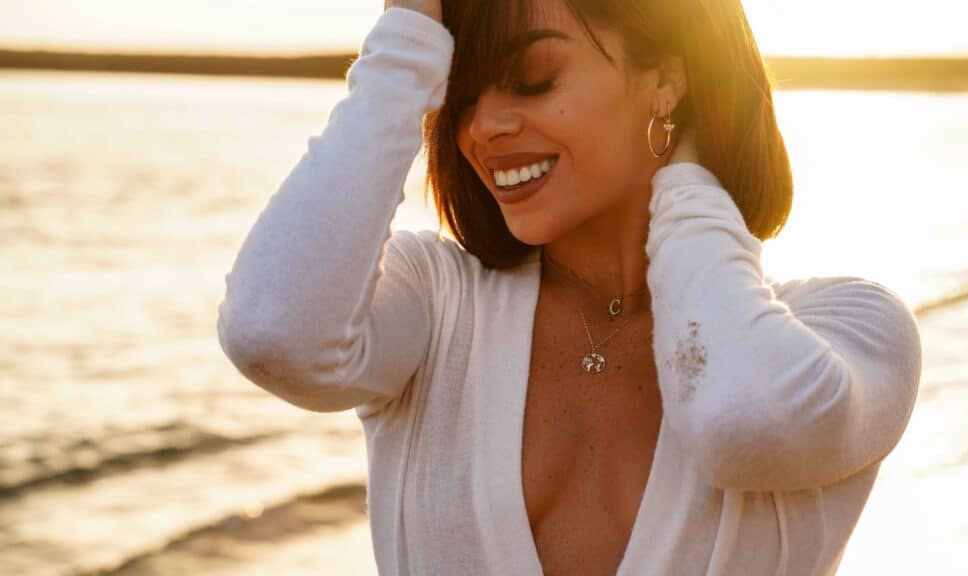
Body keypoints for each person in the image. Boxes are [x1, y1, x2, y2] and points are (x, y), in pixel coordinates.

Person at [215, 0, 923, 574]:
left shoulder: (852, 331)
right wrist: (403, 48)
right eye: (460, 98)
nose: (483, 128)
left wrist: (684, 184)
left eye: (532, 79)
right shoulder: (435, 304)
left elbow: (741, 419)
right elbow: (271, 332)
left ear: (666, 79)